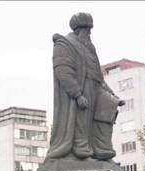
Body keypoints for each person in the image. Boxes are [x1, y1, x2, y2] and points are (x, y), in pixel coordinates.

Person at [46, 12, 125, 161]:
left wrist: (113, 96)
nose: (89, 33)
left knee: (107, 110)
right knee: (81, 122)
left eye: (90, 30)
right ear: (79, 30)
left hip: (95, 88)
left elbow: (98, 76)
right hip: (80, 90)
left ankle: (101, 151)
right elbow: (63, 71)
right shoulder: (64, 44)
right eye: (87, 29)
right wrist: (77, 94)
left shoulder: (90, 47)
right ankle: (81, 152)